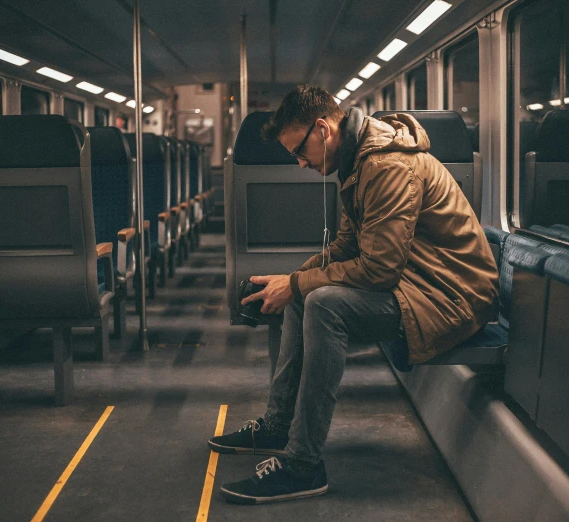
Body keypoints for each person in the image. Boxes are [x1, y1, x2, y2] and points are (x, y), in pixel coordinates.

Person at [209, 86, 500, 504]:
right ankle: (279, 425)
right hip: (419, 282)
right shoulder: (358, 161)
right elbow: (347, 247)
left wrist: (297, 285)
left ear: (323, 129)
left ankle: (304, 465)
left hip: (452, 294)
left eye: (300, 151)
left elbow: (379, 270)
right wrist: (292, 280)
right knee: (305, 293)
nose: (301, 163)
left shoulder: (387, 166)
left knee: (325, 303)